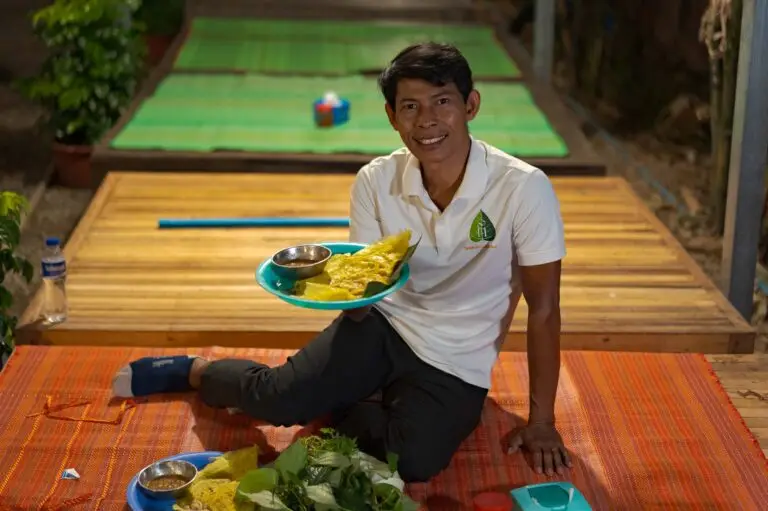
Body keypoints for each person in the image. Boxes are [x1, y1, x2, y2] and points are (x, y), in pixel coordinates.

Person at [112, 42, 571, 482]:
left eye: (442, 102)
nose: (427, 120)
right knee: (279, 400)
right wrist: (338, 291)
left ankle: (349, 399)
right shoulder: (375, 181)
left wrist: (543, 420)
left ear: (470, 105)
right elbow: (365, 299)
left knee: (413, 460)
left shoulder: (523, 188)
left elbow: (544, 308)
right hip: (383, 325)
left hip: (458, 356)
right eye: (410, 106)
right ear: (392, 117)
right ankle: (197, 371)